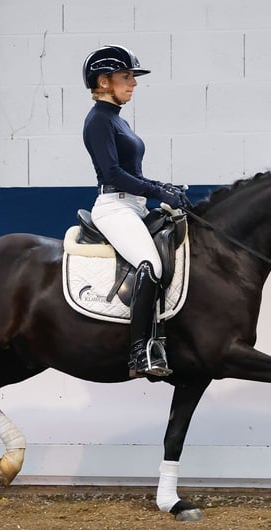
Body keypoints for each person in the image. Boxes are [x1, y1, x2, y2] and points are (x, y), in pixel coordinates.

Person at [81, 45, 189, 379]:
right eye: (126, 77)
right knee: (150, 264)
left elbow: (134, 173)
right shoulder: (99, 120)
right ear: (104, 80)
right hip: (114, 207)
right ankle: (139, 353)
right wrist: (158, 191)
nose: (133, 83)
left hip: (133, 204)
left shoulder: (117, 120)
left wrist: (164, 187)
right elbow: (112, 174)